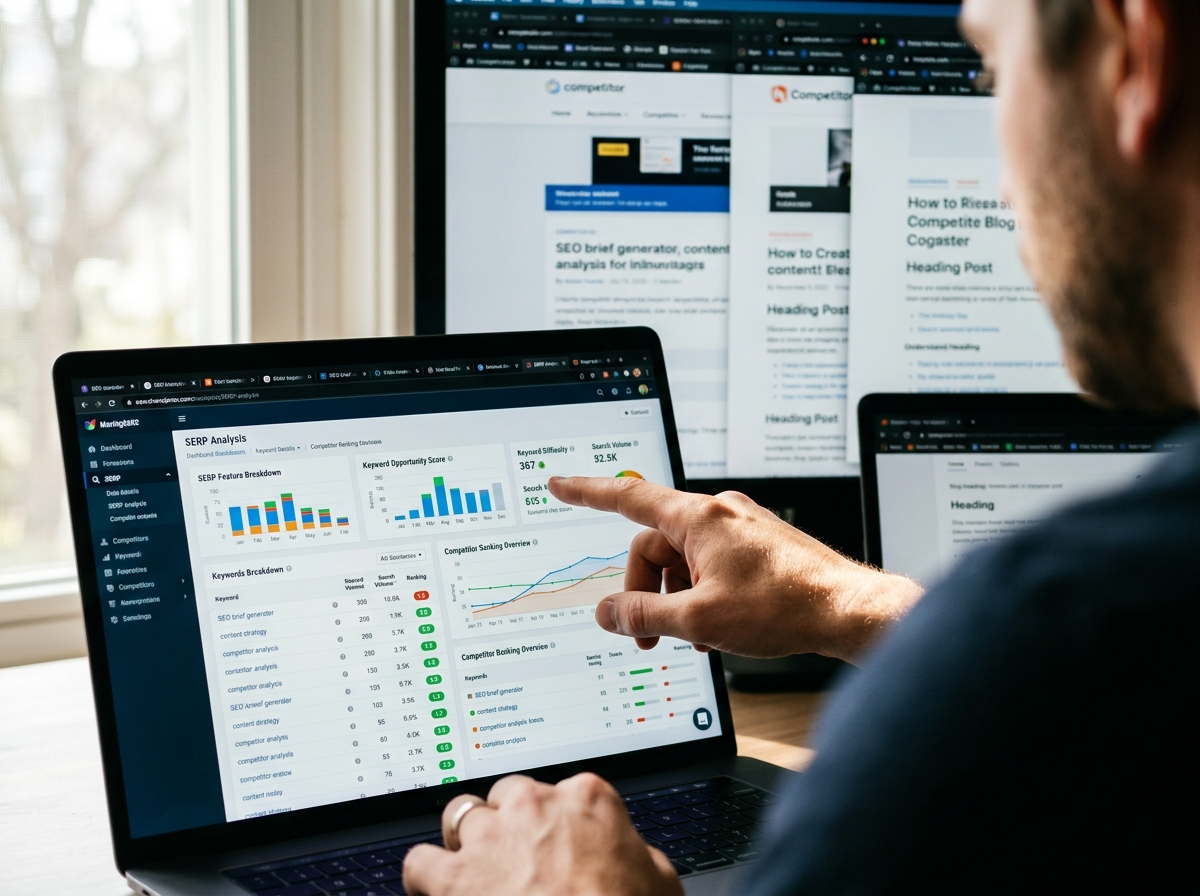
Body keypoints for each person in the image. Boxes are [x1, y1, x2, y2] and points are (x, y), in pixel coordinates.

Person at [403, 0, 1200, 891]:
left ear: (1135, 55)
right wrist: (849, 604)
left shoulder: (1049, 636)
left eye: (993, 73)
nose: (1004, 189)